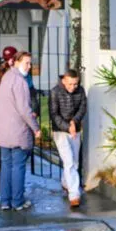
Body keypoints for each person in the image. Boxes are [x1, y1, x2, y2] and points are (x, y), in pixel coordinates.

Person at [0, 50, 42, 211]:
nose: (29, 67)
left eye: (30, 63)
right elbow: (24, 109)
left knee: (6, 165)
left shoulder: (2, 79)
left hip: (2, 131)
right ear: (15, 62)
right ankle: (17, 201)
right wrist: (36, 128)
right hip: (17, 131)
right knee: (18, 166)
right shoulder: (19, 81)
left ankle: (5, 201)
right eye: (26, 63)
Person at [48, 69, 87, 207]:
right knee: (69, 161)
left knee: (75, 161)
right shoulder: (55, 92)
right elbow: (54, 114)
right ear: (64, 80)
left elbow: (83, 108)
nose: (73, 87)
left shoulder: (80, 91)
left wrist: (74, 122)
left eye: (75, 84)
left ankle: (66, 183)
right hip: (60, 131)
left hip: (75, 130)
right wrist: (66, 126)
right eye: (70, 84)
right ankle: (74, 194)